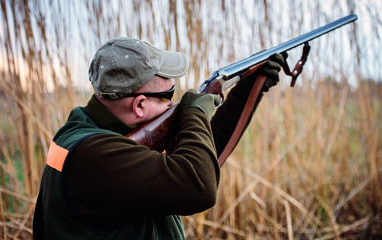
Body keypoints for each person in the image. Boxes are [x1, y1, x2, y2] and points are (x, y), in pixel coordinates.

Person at [33, 37, 284, 239]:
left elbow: (202, 161)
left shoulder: (95, 131)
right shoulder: (93, 155)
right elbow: (198, 185)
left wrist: (249, 88)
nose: (173, 102)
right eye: (168, 94)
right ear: (139, 105)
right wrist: (194, 112)